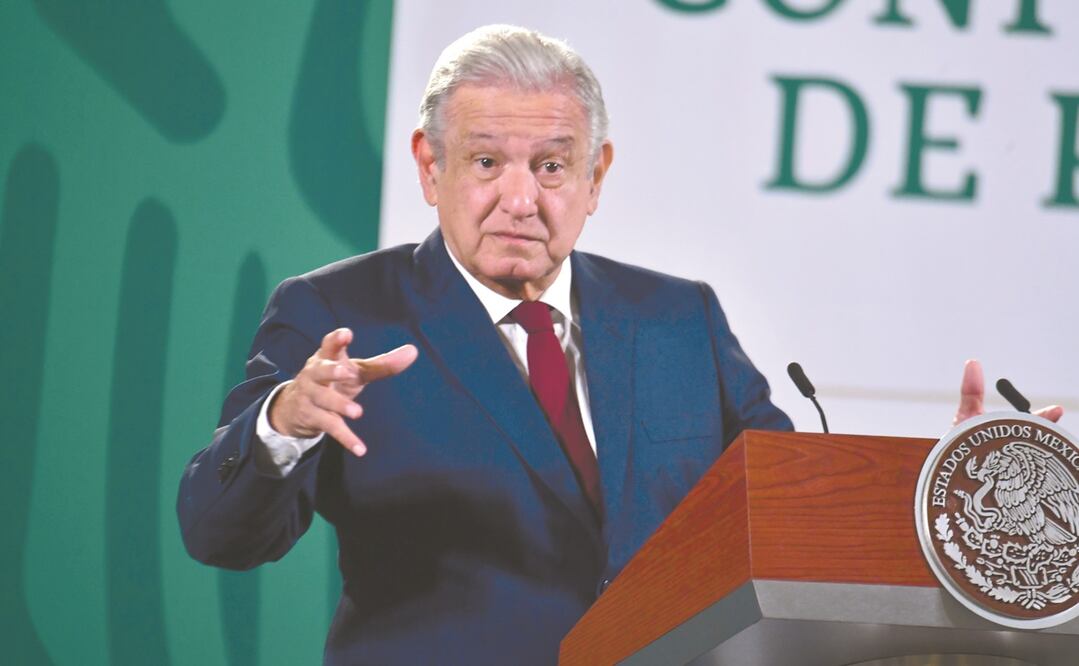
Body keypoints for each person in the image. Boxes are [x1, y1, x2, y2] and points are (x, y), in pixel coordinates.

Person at [177, 25, 1061, 666]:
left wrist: (944, 489)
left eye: (552, 166)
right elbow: (218, 535)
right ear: (427, 165)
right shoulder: (339, 312)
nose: (521, 198)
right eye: (487, 163)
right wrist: (281, 424)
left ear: (596, 177)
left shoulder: (679, 318)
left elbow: (787, 506)